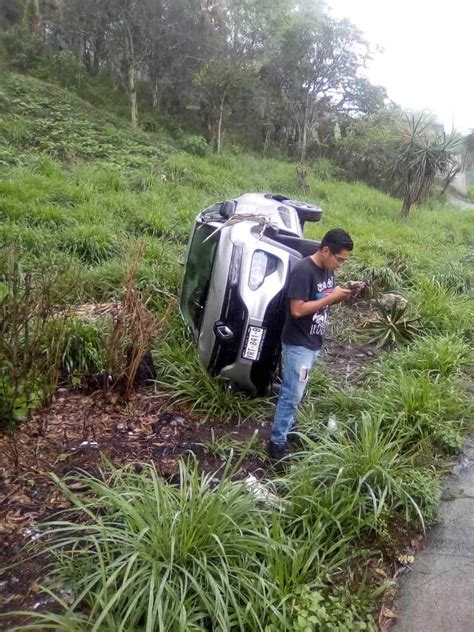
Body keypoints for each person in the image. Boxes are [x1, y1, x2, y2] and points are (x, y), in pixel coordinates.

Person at [268, 228, 355, 460]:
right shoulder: (303, 271)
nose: (340, 265)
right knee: (291, 394)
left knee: (297, 391)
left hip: (313, 341)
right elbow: (296, 310)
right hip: (298, 343)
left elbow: (321, 302)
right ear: (325, 250)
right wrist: (330, 297)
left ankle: (288, 428)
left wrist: (340, 295)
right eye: (339, 259)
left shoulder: (327, 270)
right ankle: (277, 444)